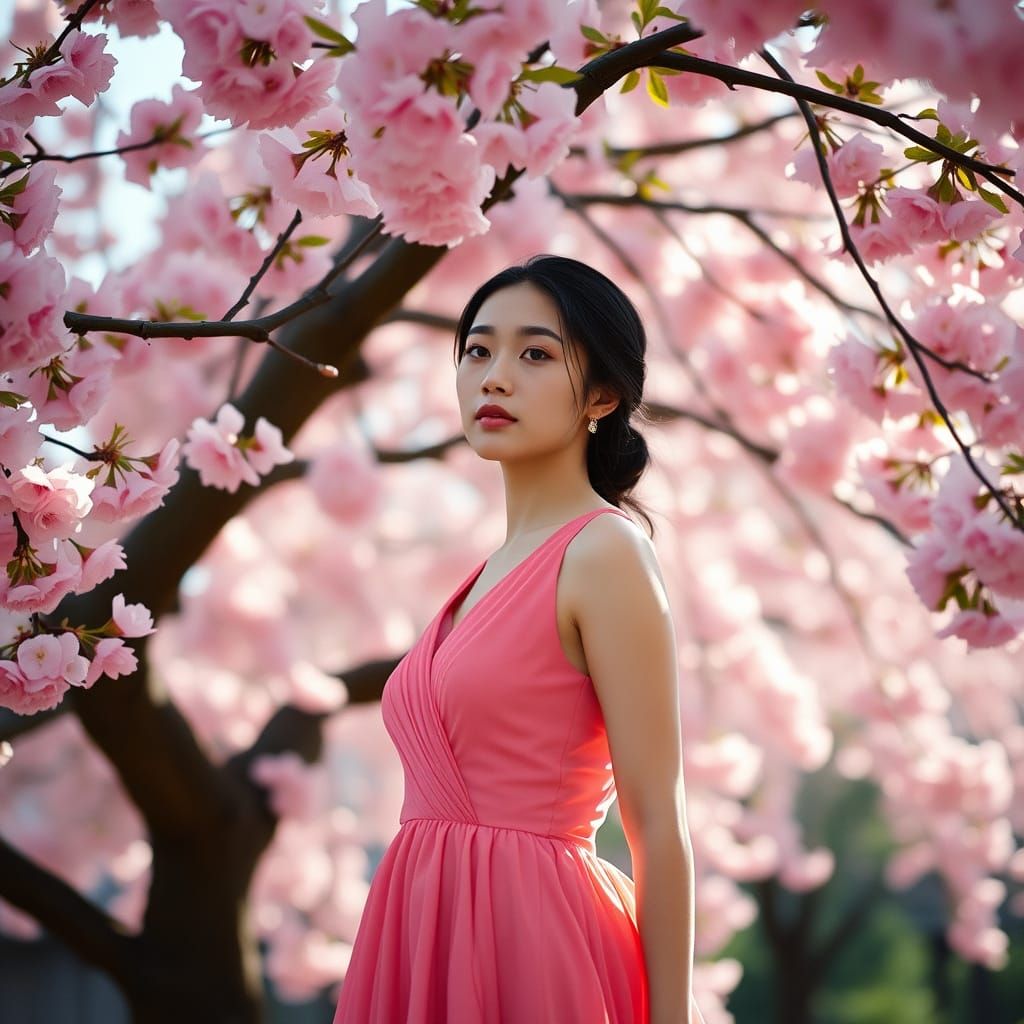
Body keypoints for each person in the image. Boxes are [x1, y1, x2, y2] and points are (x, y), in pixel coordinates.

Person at [333, 255, 702, 1024]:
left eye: (534, 354)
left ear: (602, 394)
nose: (495, 377)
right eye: (477, 350)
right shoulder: (488, 572)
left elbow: (658, 822)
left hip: (534, 940)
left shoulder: (604, 553)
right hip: (418, 924)